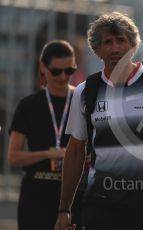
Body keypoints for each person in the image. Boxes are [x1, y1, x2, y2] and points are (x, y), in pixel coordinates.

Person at [54, 11, 143, 230]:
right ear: (97, 50)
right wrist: (64, 209)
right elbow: (75, 152)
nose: (115, 48)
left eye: (121, 40)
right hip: (100, 206)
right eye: (108, 42)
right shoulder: (86, 91)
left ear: (133, 45)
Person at [7, 40, 83, 230]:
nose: (63, 77)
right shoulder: (29, 106)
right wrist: (50, 154)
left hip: (73, 195)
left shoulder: (82, 102)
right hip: (36, 195)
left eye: (69, 71)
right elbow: (13, 157)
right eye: (56, 71)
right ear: (43, 67)